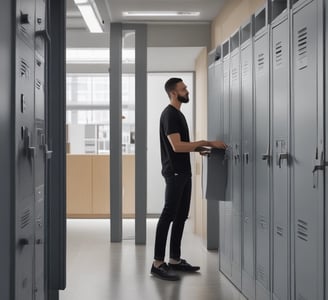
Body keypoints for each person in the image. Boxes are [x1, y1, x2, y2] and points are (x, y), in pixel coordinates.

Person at [150, 77, 227, 281]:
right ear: (173, 93)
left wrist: (200, 148)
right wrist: (205, 142)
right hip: (174, 172)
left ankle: (174, 259)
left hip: (183, 171)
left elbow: (183, 145)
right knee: (168, 214)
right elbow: (176, 146)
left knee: (182, 215)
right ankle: (157, 263)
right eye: (183, 89)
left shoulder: (179, 115)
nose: (187, 91)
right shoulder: (170, 115)